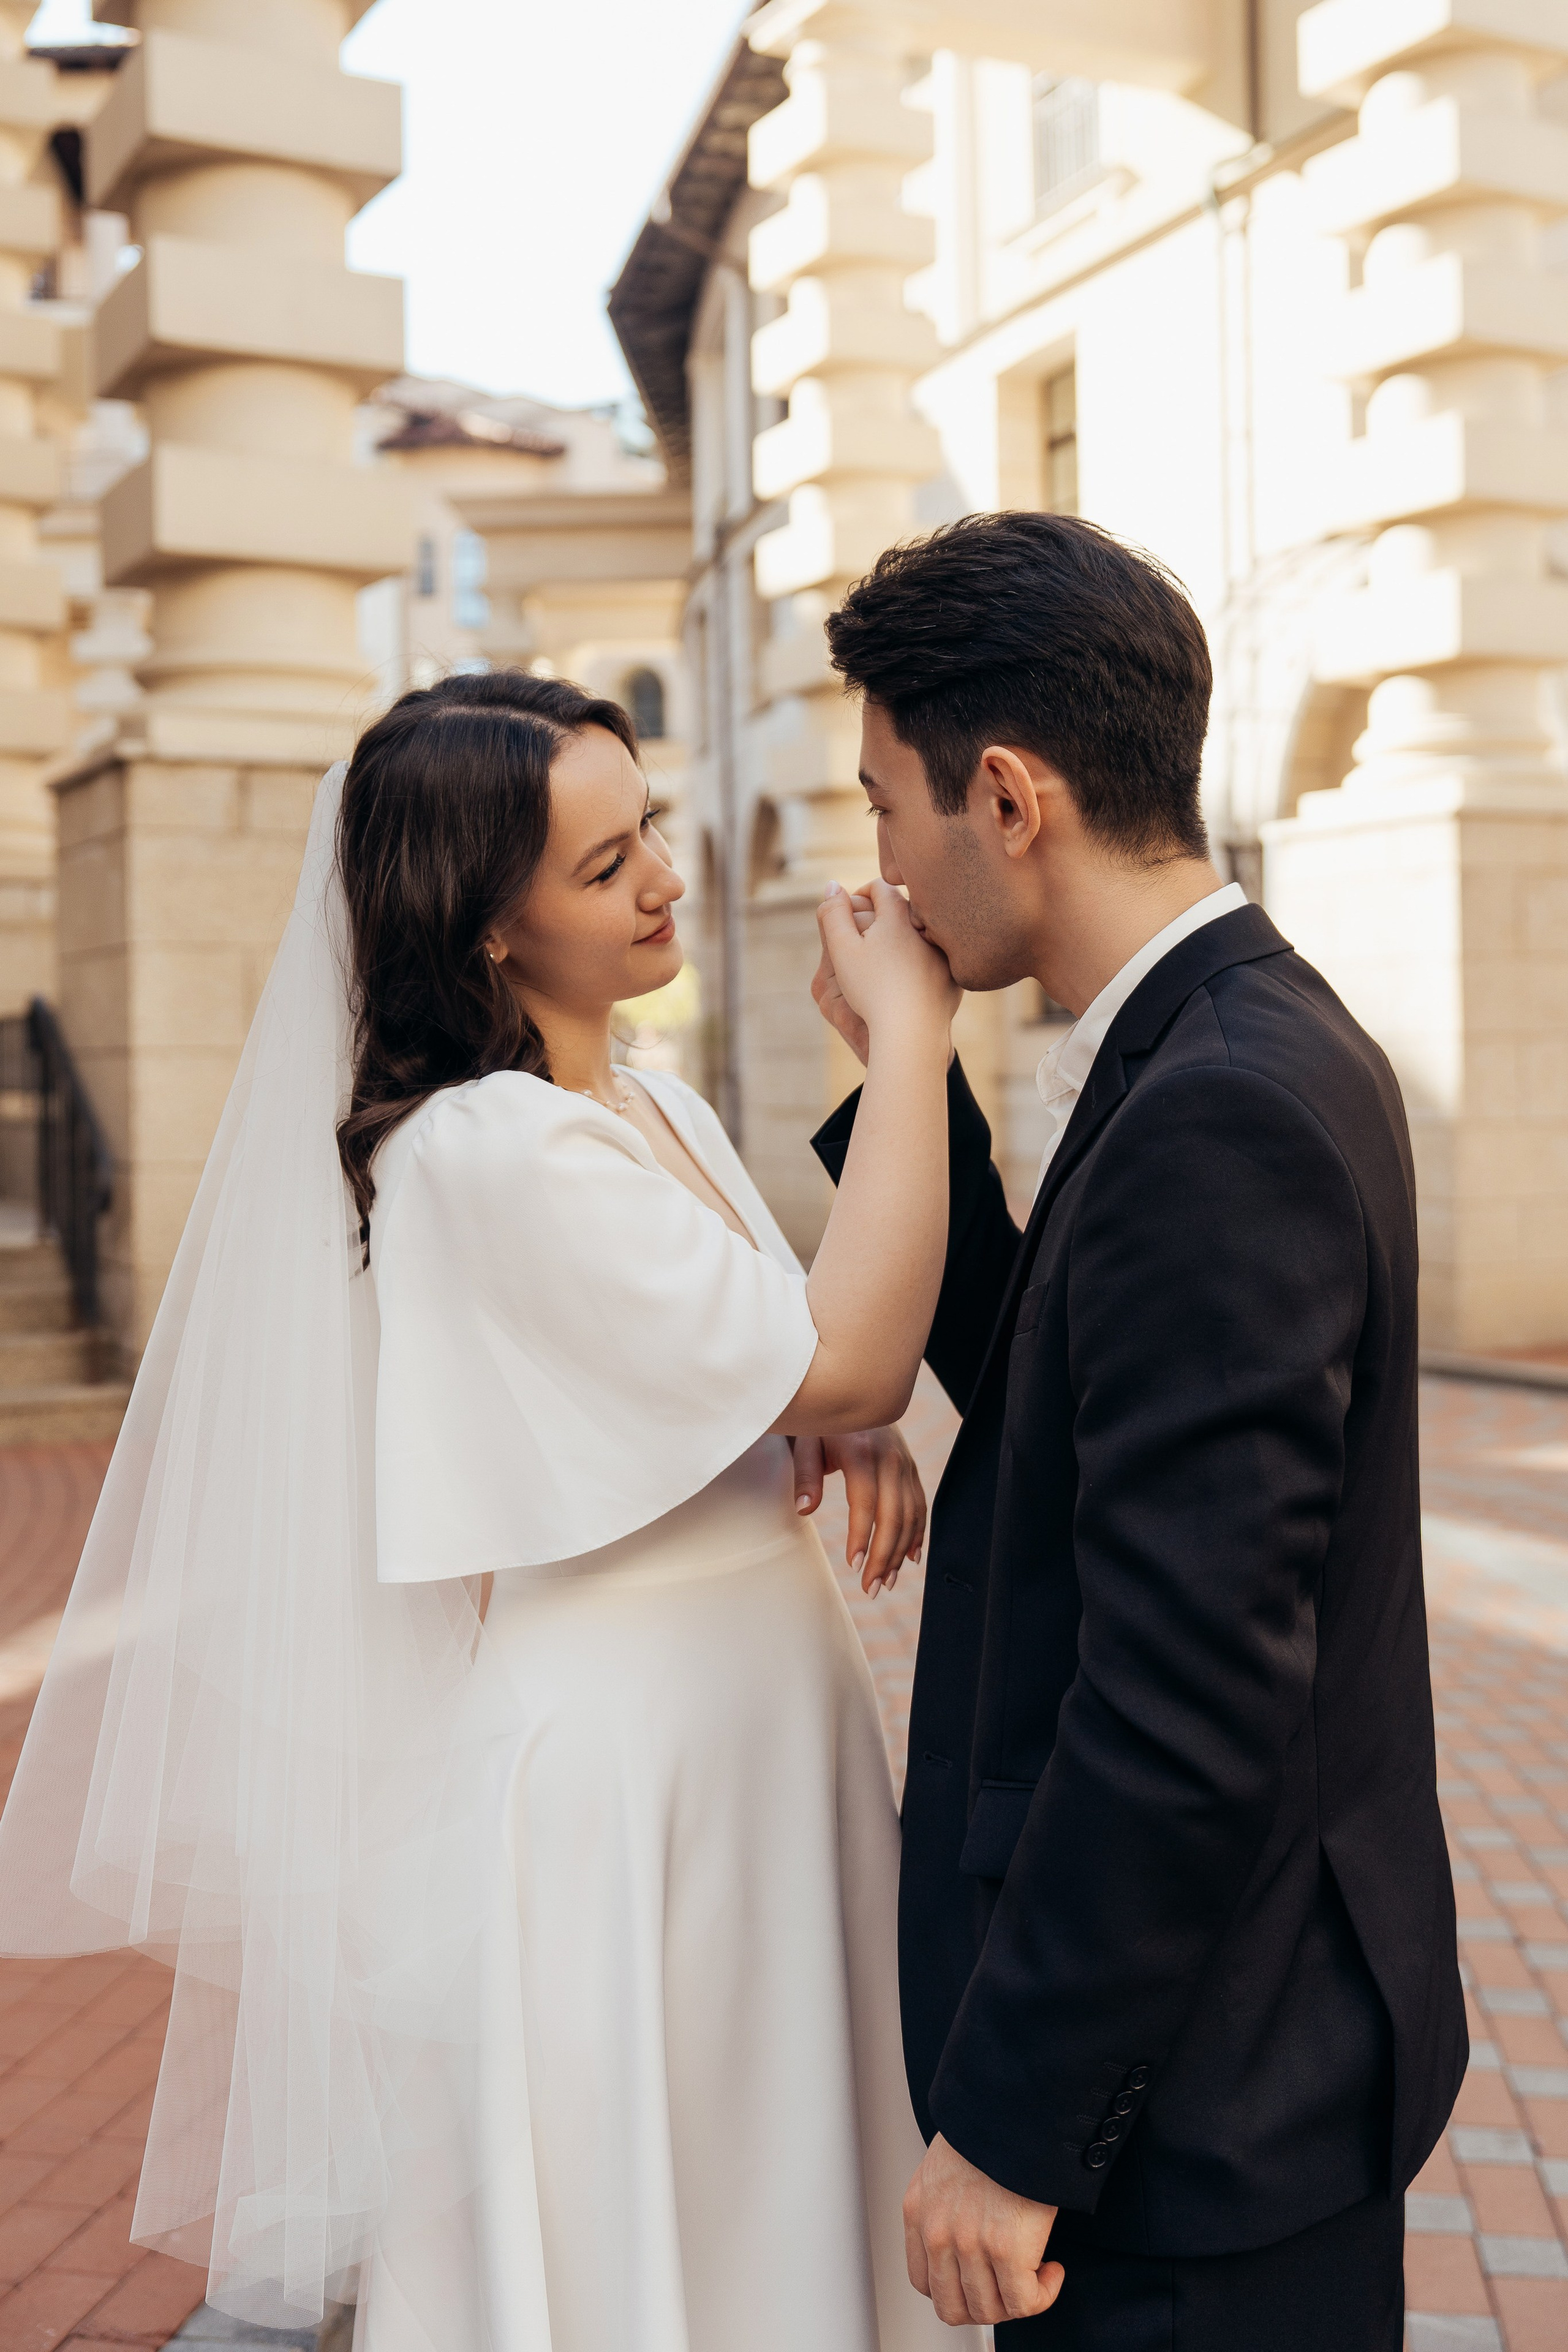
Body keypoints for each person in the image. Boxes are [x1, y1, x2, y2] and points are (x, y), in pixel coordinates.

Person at [0, 669, 979, 2352]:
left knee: (768, 2184)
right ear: (486, 935)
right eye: (605, 870)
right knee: (642, 2212)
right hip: (627, 1767)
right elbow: (842, 1355)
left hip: (758, 1724)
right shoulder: (487, 1151)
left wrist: (820, 1420)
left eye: (648, 830)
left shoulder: (647, 1108)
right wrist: (910, 1044)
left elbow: (765, 1372)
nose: (663, 879)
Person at [809, 513, 1466, 2351]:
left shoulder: (1219, 1106)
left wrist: (1016, 2129)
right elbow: (1048, 1374)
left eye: (885, 805)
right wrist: (905, 1077)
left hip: (1196, 2115)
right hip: (1239, 2065)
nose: (878, 863)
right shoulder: (1232, 1035)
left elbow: (1188, 1693)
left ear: (1006, 796)